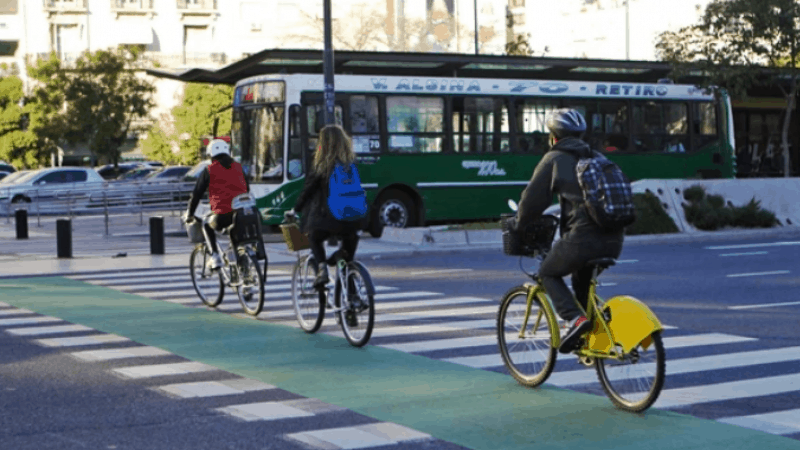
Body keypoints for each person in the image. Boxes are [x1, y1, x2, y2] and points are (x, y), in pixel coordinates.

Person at [514, 109, 624, 354]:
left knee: (547, 273)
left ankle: (574, 319)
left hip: (583, 239)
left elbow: (532, 201)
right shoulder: (596, 157)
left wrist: (520, 224)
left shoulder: (554, 158)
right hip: (615, 238)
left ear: (553, 136)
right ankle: (593, 337)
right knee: (581, 281)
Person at [287, 125, 364, 290]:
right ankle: (352, 299)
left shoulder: (322, 166)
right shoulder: (350, 165)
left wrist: (295, 209)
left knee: (314, 237)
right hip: (356, 219)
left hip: (331, 218)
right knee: (347, 259)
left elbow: (307, 191)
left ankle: (322, 268)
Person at [184, 139, 250, 270]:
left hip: (222, 214)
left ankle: (215, 256)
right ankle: (246, 272)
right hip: (244, 212)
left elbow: (196, 194)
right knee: (236, 236)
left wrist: (190, 214)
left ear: (211, 155)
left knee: (206, 225)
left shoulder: (209, 170)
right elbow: (247, 188)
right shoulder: (238, 167)